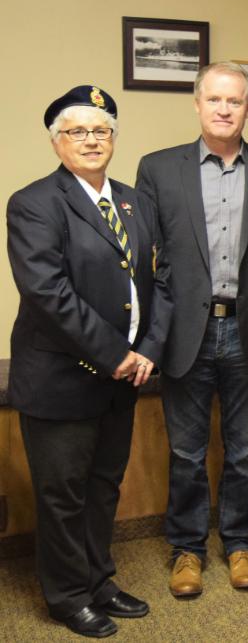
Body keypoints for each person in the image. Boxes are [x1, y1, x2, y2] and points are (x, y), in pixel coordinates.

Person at [136, 62, 248, 597]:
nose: (223, 109)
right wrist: (146, 336)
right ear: (196, 104)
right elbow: (147, 261)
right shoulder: (158, 169)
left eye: (234, 101)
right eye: (213, 99)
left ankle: (239, 543)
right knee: (186, 451)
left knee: (243, 449)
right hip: (183, 332)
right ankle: (186, 550)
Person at [7, 86, 172, 637]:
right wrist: (115, 353)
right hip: (61, 379)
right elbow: (48, 293)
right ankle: (67, 595)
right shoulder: (33, 203)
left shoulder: (135, 201)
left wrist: (148, 348)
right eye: (77, 131)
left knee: (104, 486)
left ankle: (99, 580)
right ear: (57, 142)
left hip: (122, 377)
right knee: (63, 494)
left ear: (114, 139)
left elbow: (161, 280)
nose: (91, 140)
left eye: (101, 130)